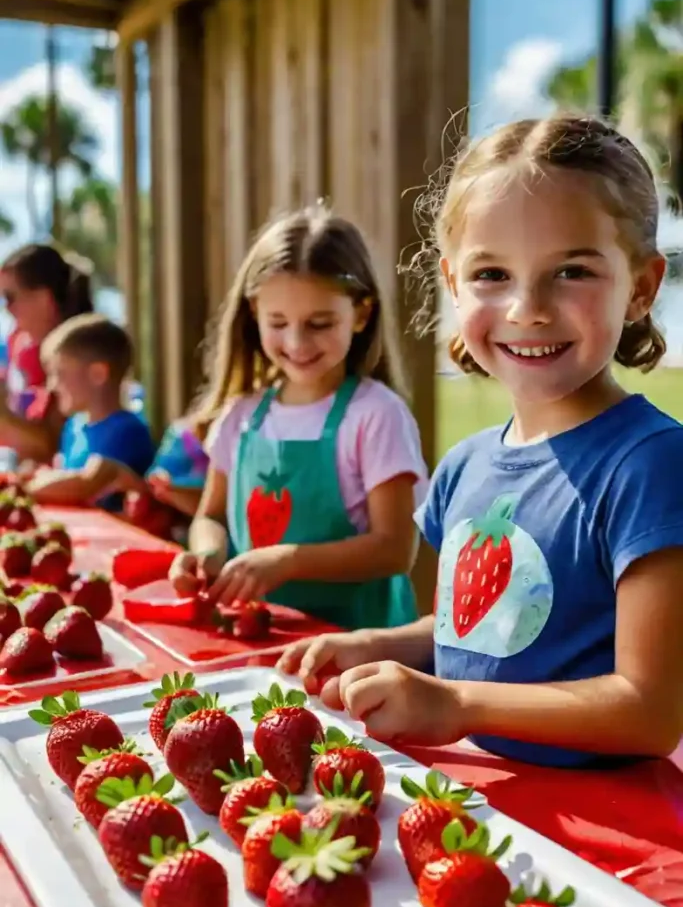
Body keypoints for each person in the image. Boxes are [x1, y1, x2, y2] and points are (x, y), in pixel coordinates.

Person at [279, 114, 683, 769]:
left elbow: (647, 710)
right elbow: (474, 638)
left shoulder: (651, 465)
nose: (527, 308)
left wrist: (456, 705)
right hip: (484, 806)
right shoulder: (464, 465)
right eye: (492, 274)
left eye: (571, 271)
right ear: (451, 282)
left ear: (639, 287)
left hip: (605, 842)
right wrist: (379, 646)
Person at [169, 203, 428, 629]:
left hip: (358, 657)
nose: (296, 341)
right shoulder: (242, 416)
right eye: (278, 322)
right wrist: (206, 555)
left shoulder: (376, 416)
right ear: (254, 312)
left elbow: (396, 548)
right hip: (261, 648)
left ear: (361, 313)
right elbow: (210, 516)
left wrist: (286, 561)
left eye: (319, 323)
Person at [26, 314, 156, 509]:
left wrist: (22, 488)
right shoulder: (73, 427)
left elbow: (83, 485)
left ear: (98, 374)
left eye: (59, 373)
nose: (52, 386)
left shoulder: (126, 430)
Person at [0, 244, 93, 462]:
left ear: (44, 298)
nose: (7, 309)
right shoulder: (22, 348)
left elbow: (51, 447)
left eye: (10, 297)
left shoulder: (80, 357)